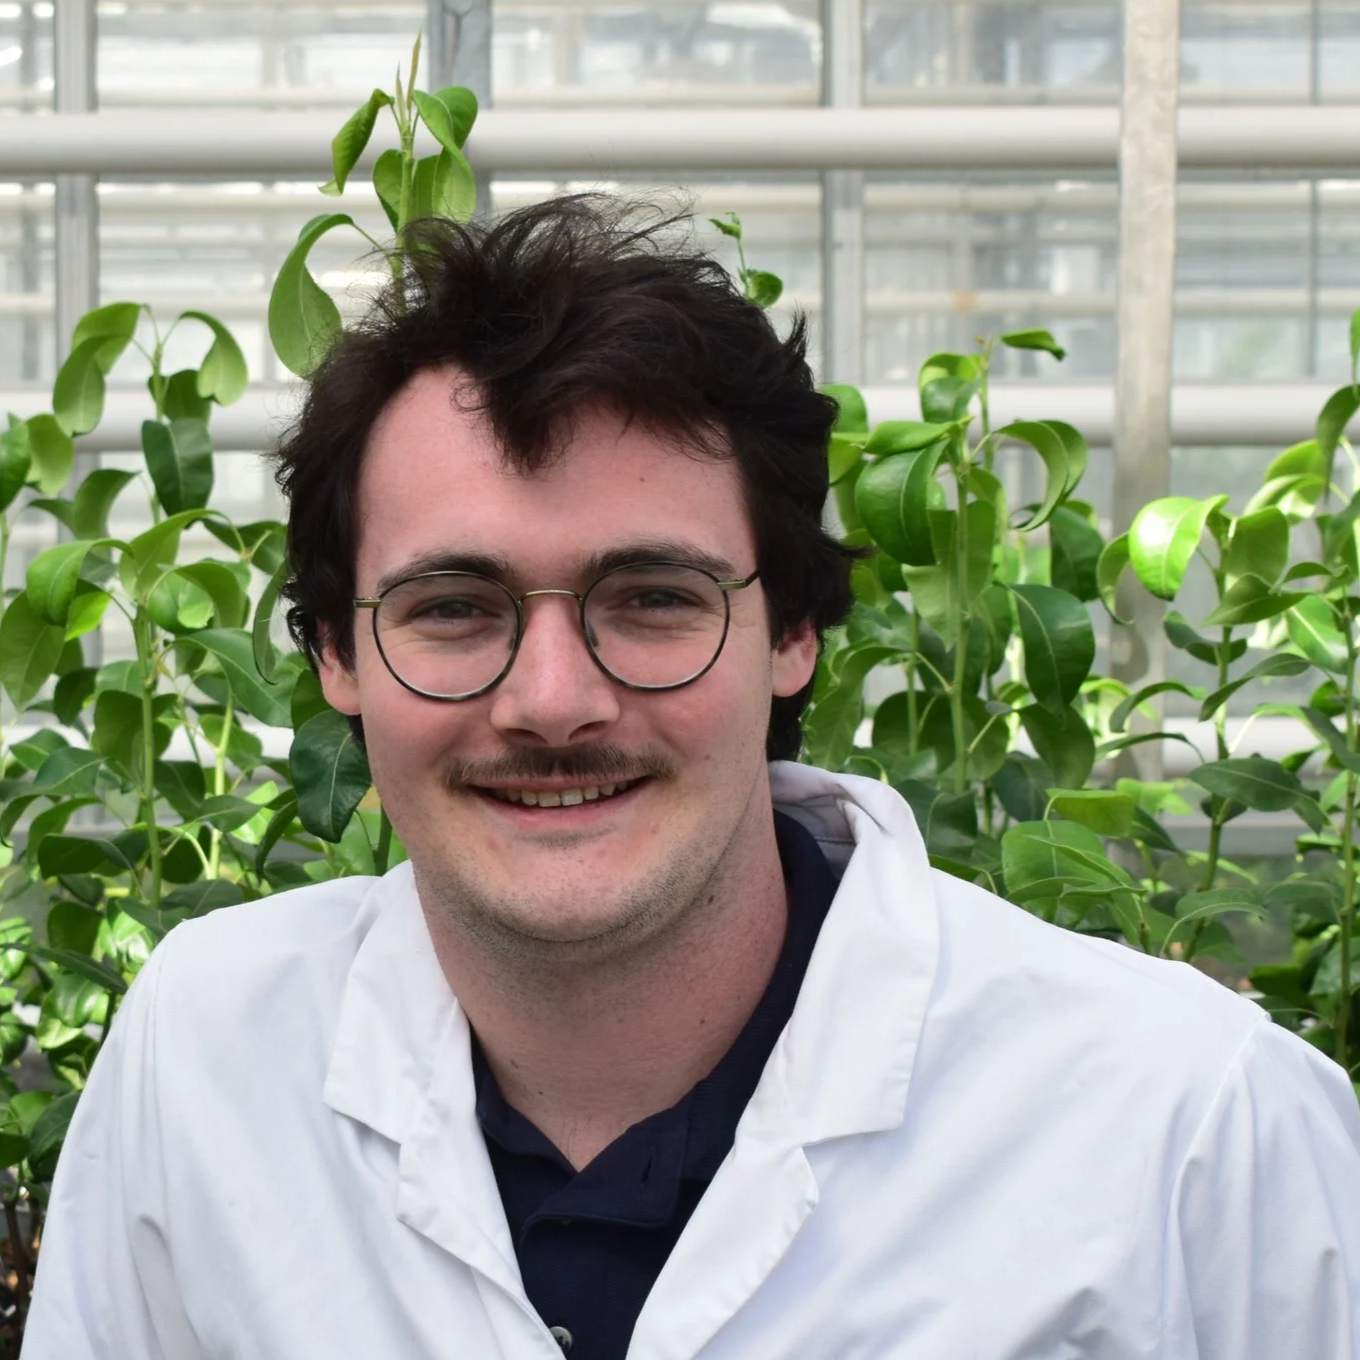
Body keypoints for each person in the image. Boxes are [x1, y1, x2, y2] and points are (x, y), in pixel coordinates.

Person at [23, 195, 1360, 1360]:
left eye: (653, 598)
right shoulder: (200, 1061)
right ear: (334, 655)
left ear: (793, 632)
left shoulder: (1194, 1131)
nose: (552, 701)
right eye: (453, 609)